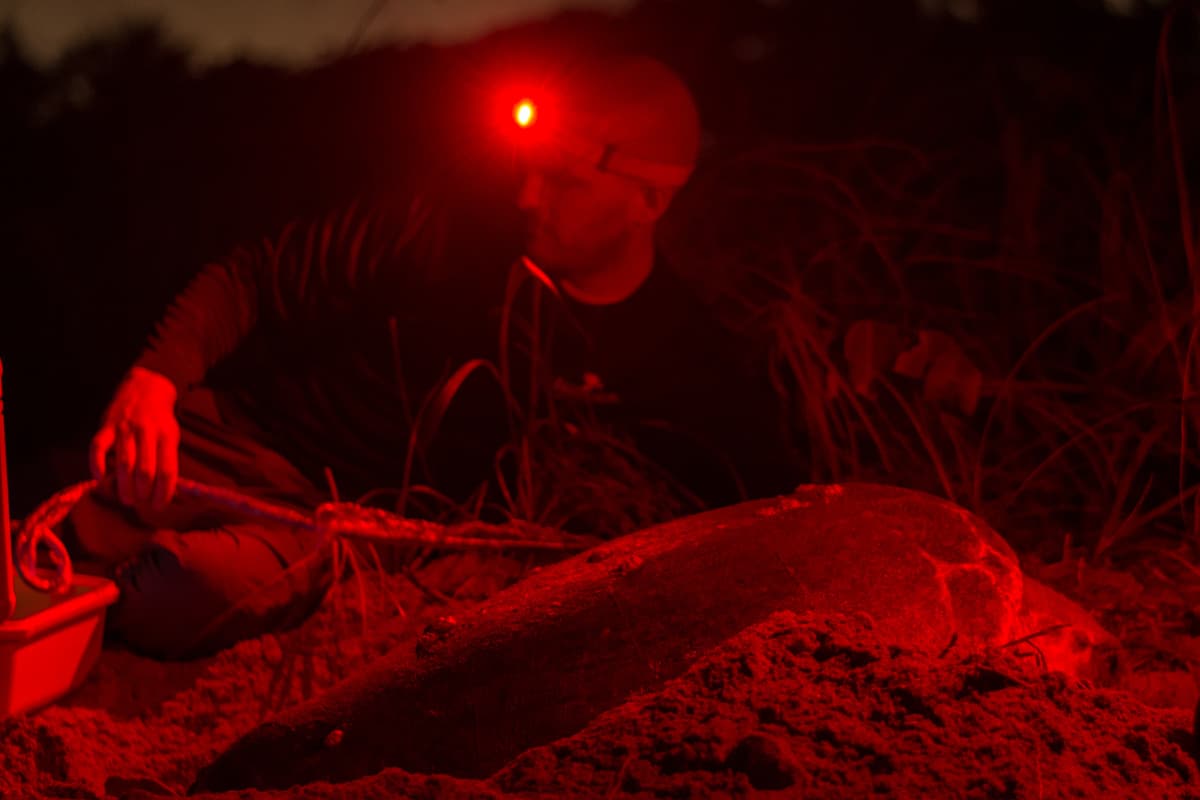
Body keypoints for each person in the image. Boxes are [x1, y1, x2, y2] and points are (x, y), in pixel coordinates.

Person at [66, 54, 799, 660]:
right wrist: (153, 380)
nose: (526, 194)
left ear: (650, 202)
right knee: (67, 520)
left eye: (565, 181)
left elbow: (759, 494)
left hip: (334, 523)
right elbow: (254, 275)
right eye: (527, 166)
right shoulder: (444, 222)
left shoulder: (671, 343)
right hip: (236, 435)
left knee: (176, 596)